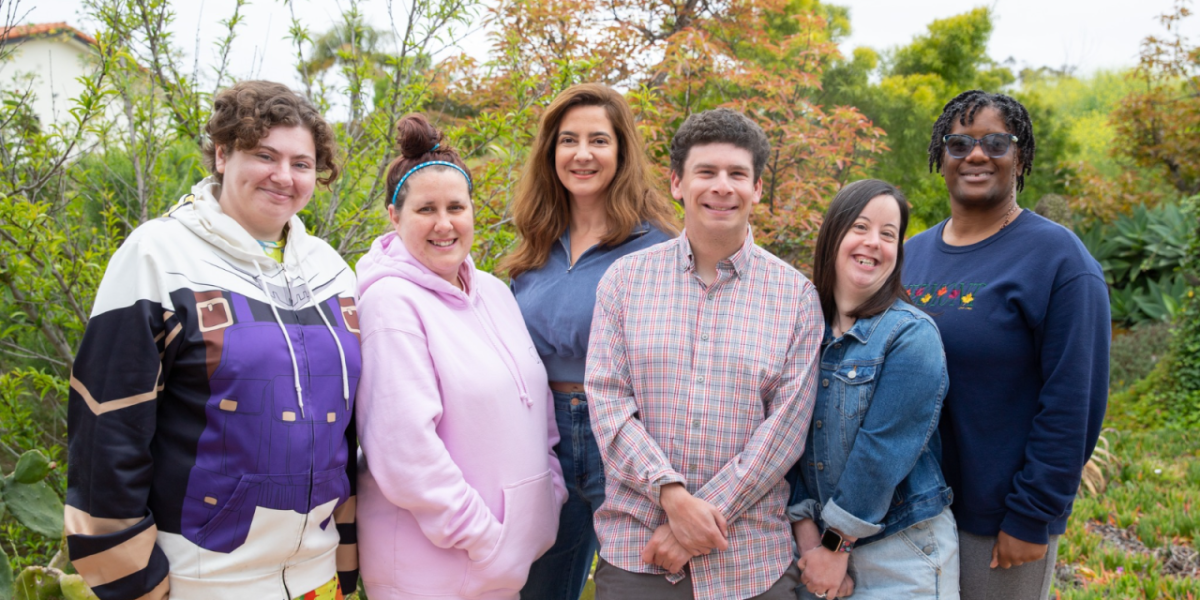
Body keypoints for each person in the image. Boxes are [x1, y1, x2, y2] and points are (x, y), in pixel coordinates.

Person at [66, 80, 361, 600]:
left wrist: (347, 556)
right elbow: (107, 429)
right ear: (222, 154)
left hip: (317, 580)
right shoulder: (157, 256)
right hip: (201, 582)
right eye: (264, 155)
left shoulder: (332, 271)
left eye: (302, 163)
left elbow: (350, 429)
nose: (283, 176)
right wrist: (132, 581)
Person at [586, 108, 822, 600]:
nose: (722, 187)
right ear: (677, 183)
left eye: (737, 174)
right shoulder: (624, 283)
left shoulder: (796, 296)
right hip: (639, 554)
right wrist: (672, 498)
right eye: (706, 172)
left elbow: (785, 429)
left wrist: (697, 521)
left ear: (757, 188)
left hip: (750, 561)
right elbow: (608, 405)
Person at [903, 90, 1110, 600]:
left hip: (995, 522)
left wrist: (1032, 515)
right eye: (959, 143)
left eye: (996, 142)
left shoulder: (1059, 261)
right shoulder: (909, 255)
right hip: (905, 514)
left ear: (1020, 156)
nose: (976, 155)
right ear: (940, 156)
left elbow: (1073, 401)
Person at [354, 114, 567, 600]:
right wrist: (484, 538)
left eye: (457, 206)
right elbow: (404, 450)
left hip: (498, 566)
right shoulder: (390, 303)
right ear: (394, 215)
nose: (445, 224)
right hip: (432, 570)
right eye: (426, 209)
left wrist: (546, 500)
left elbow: (538, 404)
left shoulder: (493, 292)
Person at [505, 83, 679, 600]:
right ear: (550, 152)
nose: (582, 154)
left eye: (598, 140)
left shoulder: (657, 247)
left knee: (638, 587)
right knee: (539, 590)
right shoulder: (536, 242)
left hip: (623, 435)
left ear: (621, 152)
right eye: (568, 140)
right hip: (541, 439)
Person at [788, 179, 958, 600]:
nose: (873, 243)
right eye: (860, 227)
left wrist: (835, 544)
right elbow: (780, 436)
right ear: (834, 235)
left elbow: (881, 452)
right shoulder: (800, 329)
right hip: (815, 551)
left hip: (900, 551)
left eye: (888, 234)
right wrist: (808, 536)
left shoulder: (911, 336)